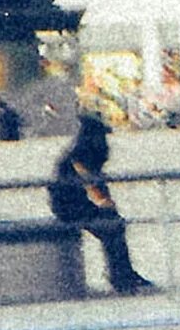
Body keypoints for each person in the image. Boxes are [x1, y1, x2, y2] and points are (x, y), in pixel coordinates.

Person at [46, 118, 152, 294]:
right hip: (69, 206)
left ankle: (122, 273)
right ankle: (121, 275)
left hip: (72, 204)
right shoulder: (80, 156)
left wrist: (107, 203)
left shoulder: (79, 152)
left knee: (113, 224)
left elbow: (98, 184)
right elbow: (90, 182)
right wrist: (104, 202)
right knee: (112, 226)